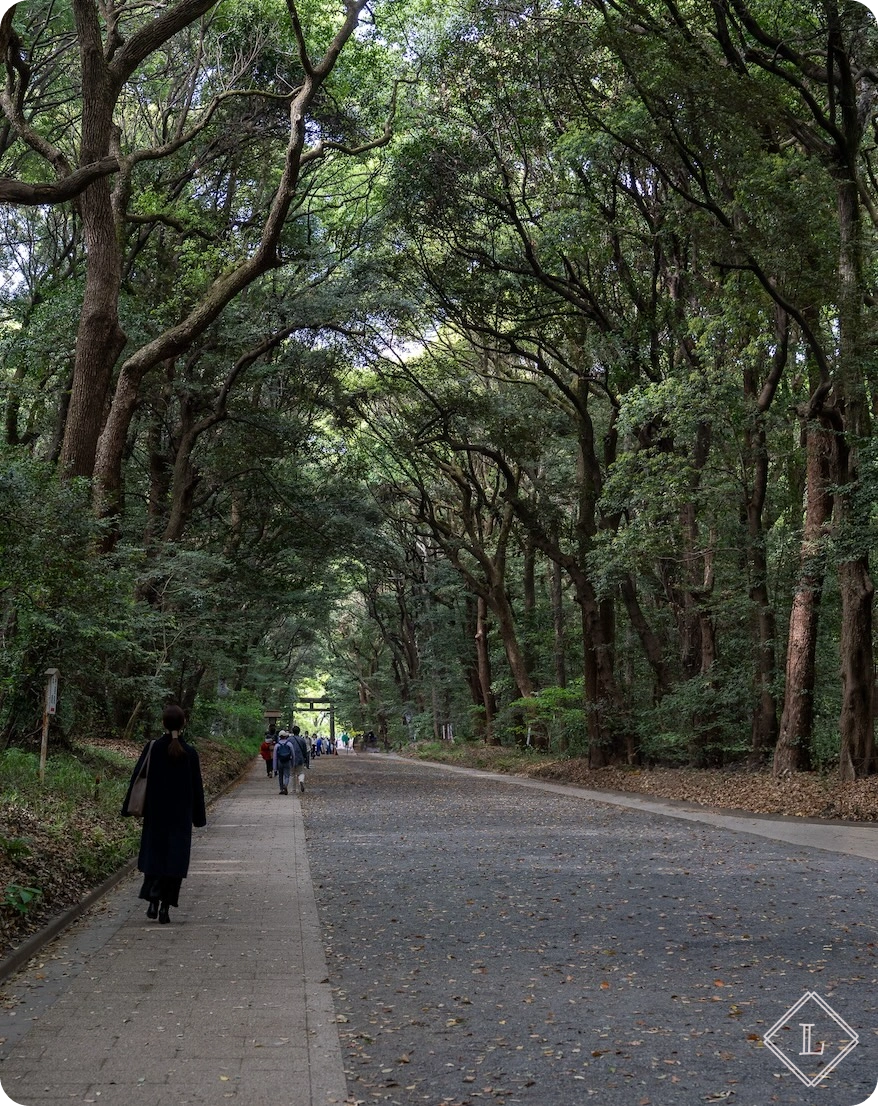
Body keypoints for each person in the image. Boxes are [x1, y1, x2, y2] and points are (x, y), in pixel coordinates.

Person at [121, 704, 207, 924]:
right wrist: (199, 817)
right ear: (184, 723)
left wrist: (127, 808)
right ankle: (165, 908)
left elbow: (137, 778)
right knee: (174, 861)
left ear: (163, 724)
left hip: (156, 814)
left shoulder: (153, 749)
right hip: (180, 818)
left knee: (155, 856)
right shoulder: (190, 753)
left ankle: (152, 900)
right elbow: (197, 788)